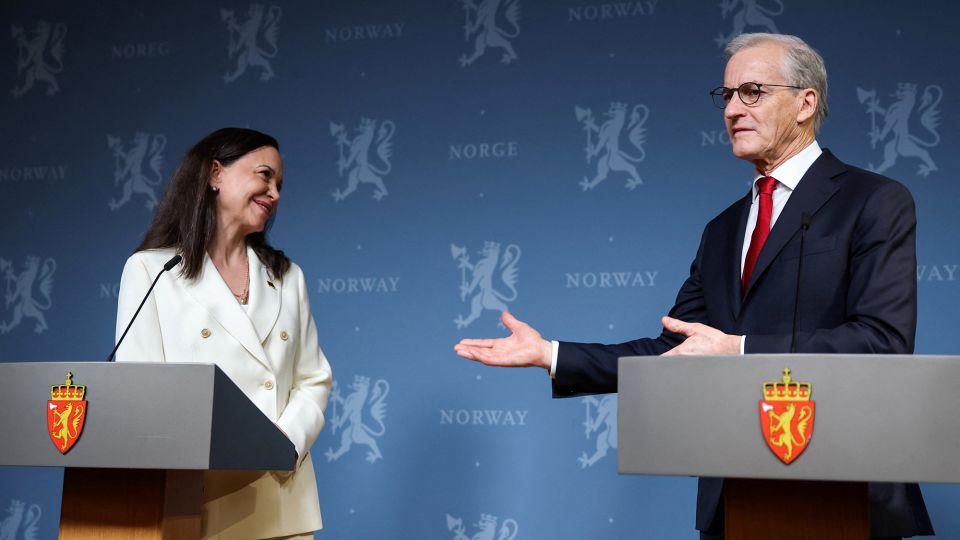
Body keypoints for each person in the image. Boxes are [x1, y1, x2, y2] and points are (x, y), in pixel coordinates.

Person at [454, 33, 933, 540]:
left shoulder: (874, 200)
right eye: (726, 96)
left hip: (839, 488)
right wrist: (551, 354)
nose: (733, 110)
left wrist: (739, 349)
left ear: (805, 103)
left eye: (753, 92)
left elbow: (882, 341)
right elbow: (677, 348)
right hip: (734, 495)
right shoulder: (722, 229)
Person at [114, 127, 333, 540]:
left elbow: (313, 378)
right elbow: (137, 387)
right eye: (264, 175)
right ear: (215, 174)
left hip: (280, 501)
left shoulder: (288, 279)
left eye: (280, 184)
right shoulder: (150, 270)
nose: (275, 193)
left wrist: (285, 442)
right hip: (190, 502)